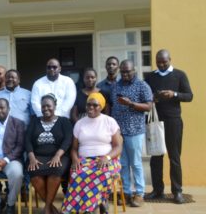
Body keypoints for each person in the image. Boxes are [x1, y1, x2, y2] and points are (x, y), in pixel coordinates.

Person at [145, 49, 193, 204]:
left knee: (174, 157)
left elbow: (189, 96)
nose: (161, 64)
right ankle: (157, 190)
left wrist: (174, 94)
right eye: (158, 62)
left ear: (170, 59)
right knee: (156, 157)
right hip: (155, 120)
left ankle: (177, 191)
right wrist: (152, 98)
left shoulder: (180, 75)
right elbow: (145, 96)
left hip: (173, 121)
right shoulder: (151, 76)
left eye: (164, 62)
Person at [62, 93, 123, 214]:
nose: (91, 107)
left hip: (107, 159)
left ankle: (92, 207)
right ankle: (98, 204)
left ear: (101, 107)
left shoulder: (109, 121)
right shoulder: (79, 123)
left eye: (95, 105)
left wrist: (107, 157)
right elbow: (74, 148)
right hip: (85, 160)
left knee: (103, 172)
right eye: (88, 104)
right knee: (77, 174)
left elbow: (118, 146)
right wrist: (75, 160)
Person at [111, 60, 152, 207]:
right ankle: (126, 192)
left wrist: (131, 104)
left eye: (128, 71)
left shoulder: (142, 85)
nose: (125, 74)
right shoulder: (116, 86)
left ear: (134, 70)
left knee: (135, 163)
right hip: (118, 132)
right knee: (122, 163)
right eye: (122, 72)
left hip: (134, 131)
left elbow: (149, 106)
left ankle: (139, 193)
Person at [26, 94, 73, 214]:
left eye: (49, 106)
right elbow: (27, 140)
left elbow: (68, 140)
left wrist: (57, 155)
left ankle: (47, 208)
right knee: (34, 172)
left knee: (56, 169)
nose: (46, 108)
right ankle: (51, 207)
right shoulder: (34, 121)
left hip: (59, 156)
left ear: (55, 106)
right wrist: (31, 157)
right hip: (37, 156)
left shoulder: (64, 121)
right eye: (43, 106)